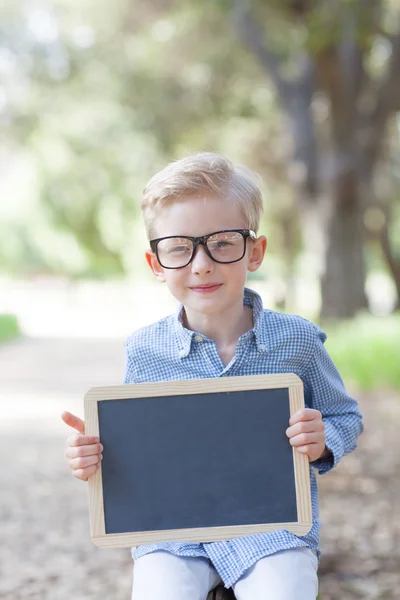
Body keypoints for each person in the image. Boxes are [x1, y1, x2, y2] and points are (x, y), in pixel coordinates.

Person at [62, 152, 363, 600]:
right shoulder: (144, 351)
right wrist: (95, 459)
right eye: (179, 247)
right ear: (155, 264)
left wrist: (322, 441)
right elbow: (136, 452)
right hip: (172, 533)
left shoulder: (297, 341)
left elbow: (345, 416)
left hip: (271, 529)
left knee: (284, 590)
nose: (201, 263)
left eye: (222, 242)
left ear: (255, 251)